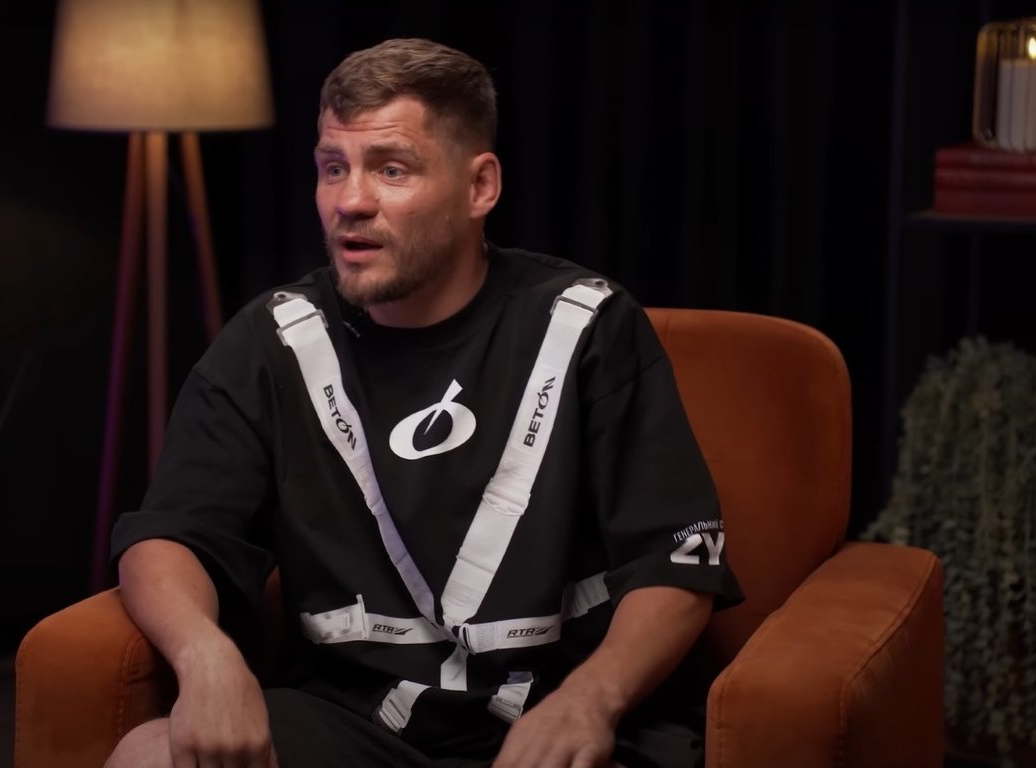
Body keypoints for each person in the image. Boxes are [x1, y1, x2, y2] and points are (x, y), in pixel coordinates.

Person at [105, 38, 742, 768]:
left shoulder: (585, 324)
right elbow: (173, 534)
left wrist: (592, 700)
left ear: (480, 187)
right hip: (358, 725)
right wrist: (205, 657)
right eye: (333, 167)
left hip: (560, 722)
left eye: (392, 169)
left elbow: (678, 559)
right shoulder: (274, 339)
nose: (350, 201)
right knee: (147, 756)